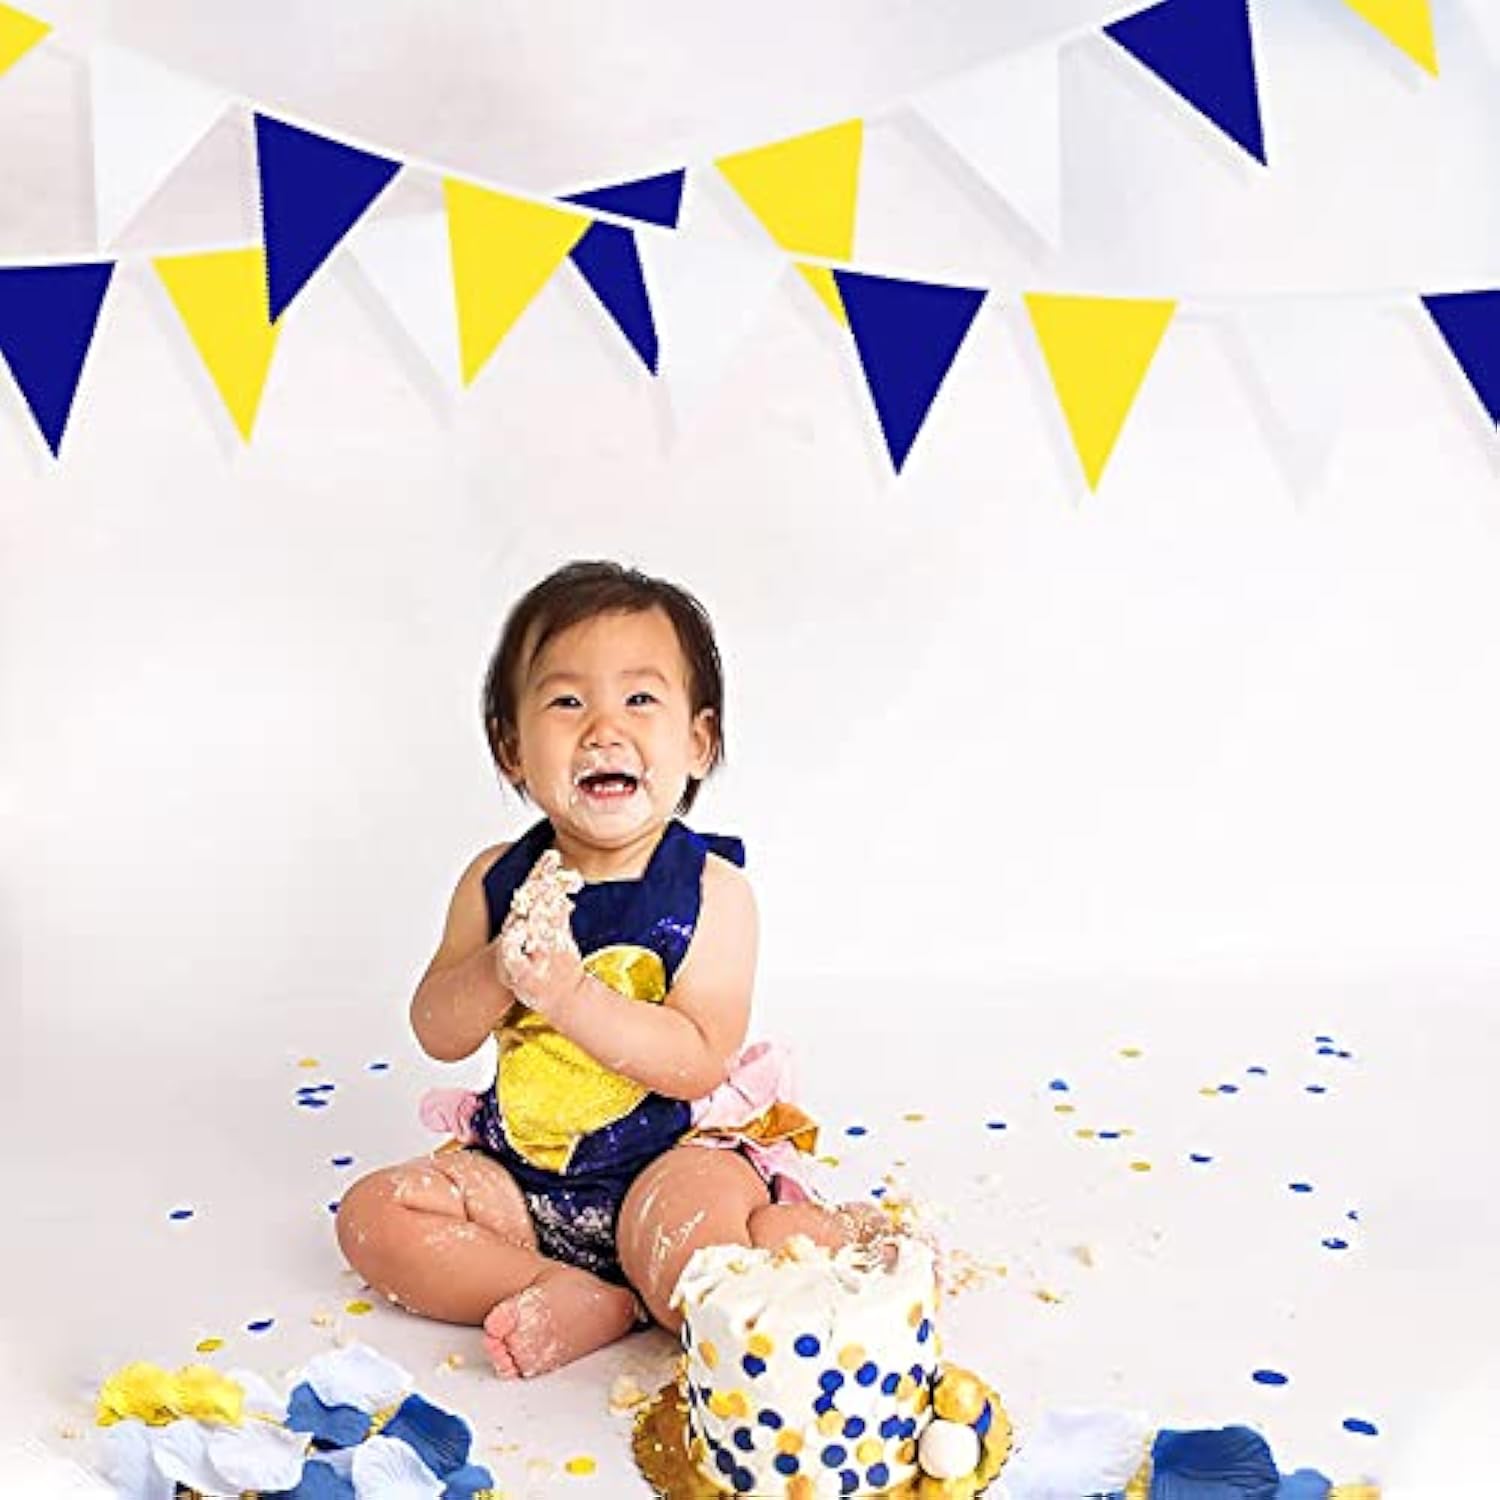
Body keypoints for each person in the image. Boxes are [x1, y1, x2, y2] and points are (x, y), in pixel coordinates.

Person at [336, 560, 880, 1379]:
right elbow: (437, 1030)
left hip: (662, 1172)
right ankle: (562, 1290)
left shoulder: (711, 893)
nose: (602, 728)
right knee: (373, 1217)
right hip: (521, 1184)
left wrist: (568, 993)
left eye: (639, 699)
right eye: (566, 701)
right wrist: (501, 969)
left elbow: (697, 1056)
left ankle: (782, 1236)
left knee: (694, 1259)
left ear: (697, 743)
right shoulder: (496, 881)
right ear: (512, 749)